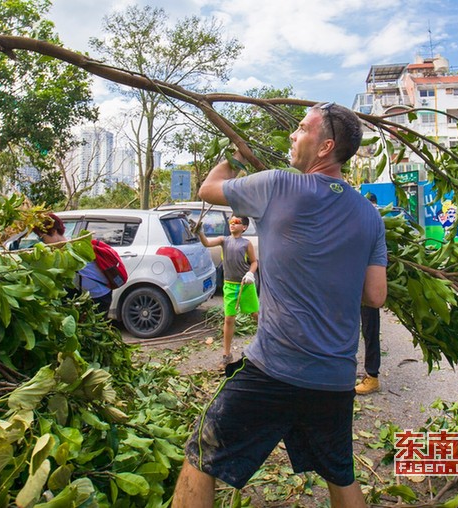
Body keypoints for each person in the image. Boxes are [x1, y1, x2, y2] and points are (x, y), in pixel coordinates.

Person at [172, 102, 387, 508]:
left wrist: (235, 155)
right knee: (340, 474)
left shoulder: (279, 185)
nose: (292, 134)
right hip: (336, 377)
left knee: (201, 454)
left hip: (274, 369)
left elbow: (208, 189)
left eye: (302, 129)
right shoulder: (369, 215)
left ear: (325, 147)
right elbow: (375, 295)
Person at [197, 215, 259, 368]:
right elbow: (206, 243)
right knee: (229, 319)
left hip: (246, 286)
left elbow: (254, 262)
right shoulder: (223, 240)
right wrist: (200, 232)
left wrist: (250, 273)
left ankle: (266, 343)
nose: (232, 224)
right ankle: (226, 354)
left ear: (244, 227)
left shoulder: (247, 244)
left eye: (236, 222)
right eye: (231, 221)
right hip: (230, 286)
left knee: (256, 315)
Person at [33, 213, 112, 314]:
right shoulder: (65, 249)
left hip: (99, 296)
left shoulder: (73, 251)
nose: (42, 242)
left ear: (54, 231)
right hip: (87, 295)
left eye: (42, 238)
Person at [357, 193, 382, 395]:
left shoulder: (372, 218)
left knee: (369, 329)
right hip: (354, 282)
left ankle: (372, 376)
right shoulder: (363, 216)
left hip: (365, 284)